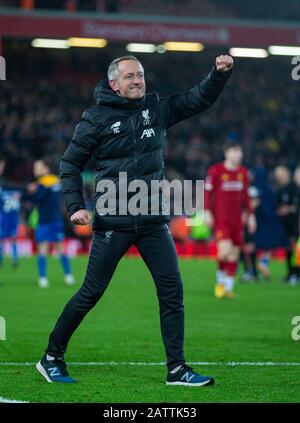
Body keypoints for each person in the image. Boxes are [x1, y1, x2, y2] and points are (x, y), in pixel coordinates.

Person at [36, 54, 233, 386]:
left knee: (172, 291)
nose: (137, 80)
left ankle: (177, 369)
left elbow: (197, 99)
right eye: (130, 76)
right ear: (114, 83)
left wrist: (218, 74)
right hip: (115, 220)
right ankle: (51, 357)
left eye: (140, 75)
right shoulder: (95, 118)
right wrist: (75, 206)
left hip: (153, 219)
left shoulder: (156, 108)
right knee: (91, 292)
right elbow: (69, 164)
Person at [204, 141, 256, 299]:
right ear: (226, 153)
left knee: (234, 254)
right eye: (234, 151)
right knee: (224, 251)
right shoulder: (216, 170)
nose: (238, 155)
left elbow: (246, 196)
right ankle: (220, 283)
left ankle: (228, 288)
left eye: (239, 152)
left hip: (237, 220)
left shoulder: (243, 172)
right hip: (221, 219)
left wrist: (251, 215)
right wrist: (206, 211)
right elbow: (207, 193)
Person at [23, 158, 75, 288]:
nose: (35, 169)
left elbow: (37, 198)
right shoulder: (56, 181)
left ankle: (43, 278)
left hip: (44, 221)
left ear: (45, 168)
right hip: (56, 220)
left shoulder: (43, 183)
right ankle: (68, 276)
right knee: (60, 248)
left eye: (37, 167)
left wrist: (25, 194)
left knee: (42, 249)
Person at [274, 166, 299, 284]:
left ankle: (296, 273)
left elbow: (296, 207)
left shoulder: (294, 189)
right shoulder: (280, 189)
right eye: (278, 175)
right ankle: (290, 273)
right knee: (288, 249)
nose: (279, 177)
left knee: (295, 249)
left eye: (281, 174)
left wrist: (287, 209)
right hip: (285, 224)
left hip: (295, 224)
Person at [0, 157, 21, 268]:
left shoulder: (4, 182)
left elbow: (15, 188)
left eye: (2, 166)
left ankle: (13, 259)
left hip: (7, 215)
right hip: (2, 215)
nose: (1, 168)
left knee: (10, 237)